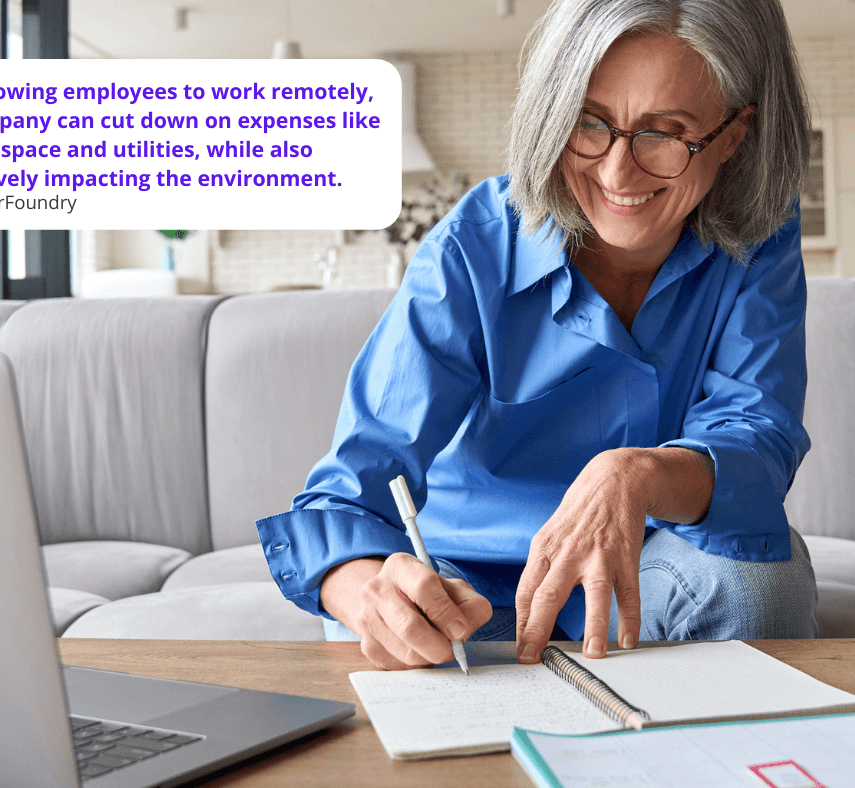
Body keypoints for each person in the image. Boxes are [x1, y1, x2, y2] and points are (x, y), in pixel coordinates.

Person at [256, 0, 818, 670]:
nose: (616, 174)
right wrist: (366, 591)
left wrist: (637, 473)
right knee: (378, 626)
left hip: (644, 574)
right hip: (470, 595)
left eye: (664, 134)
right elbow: (351, 490)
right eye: (589, 123)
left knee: (762, 577)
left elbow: (756, 436)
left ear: (733, 136)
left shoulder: (760, 236)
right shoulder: (474, 246)